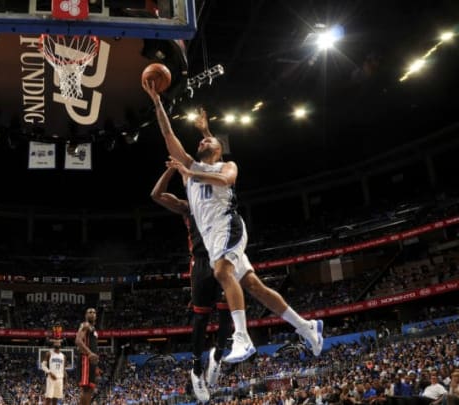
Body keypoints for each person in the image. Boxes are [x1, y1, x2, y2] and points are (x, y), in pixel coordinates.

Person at [142, 81, 324, 376]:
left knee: (222, 273)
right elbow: (167, 133)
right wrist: (157, 102)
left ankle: (242, 338)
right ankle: (307, 327)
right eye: (201, 141)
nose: (202, 143)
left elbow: (226, 180)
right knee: (253, 286)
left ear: (219, 150)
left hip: (229, 227)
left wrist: (190, 171)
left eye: (208, 143)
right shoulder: (191, 167)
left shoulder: (226, 167)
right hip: (214, 239)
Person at [151, 166, 232, 402]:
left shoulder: (219, 202)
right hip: (201, 264)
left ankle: (217, 355)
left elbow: (225, 180)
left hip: (222, 258)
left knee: (227, 312)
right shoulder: (188, 208)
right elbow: (156, 195)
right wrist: (170, 171)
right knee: (201, 318)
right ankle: (197, 369)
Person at [75, 308, 99, 405]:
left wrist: (96, 364)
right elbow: (78, 341)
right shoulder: (85, 325)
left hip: (91, 362)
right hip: (85, 359)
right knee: (86, 389)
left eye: (94, 312)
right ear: (86, 315)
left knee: (90, 389)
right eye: (90, 312)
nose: (92, 314)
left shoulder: (93, 329)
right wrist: (89, 353)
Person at [42, 339, 68, 405]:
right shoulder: (49, 353)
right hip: (51, 378)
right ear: (53, 344)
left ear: (60, 344)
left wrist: (66, 381)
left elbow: (63, 369)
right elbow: (43, 365)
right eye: (55, 341)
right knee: (48, 398)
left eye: (58, 341)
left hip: (59, 379)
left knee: (55, 399)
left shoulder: (63, 356)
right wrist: (50, 373)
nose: (57, 342)